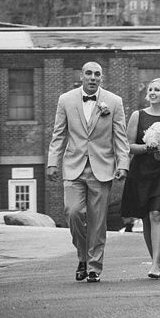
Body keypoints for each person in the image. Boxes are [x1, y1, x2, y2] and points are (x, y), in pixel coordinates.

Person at [46, 61, 129, 283]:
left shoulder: (114, 102)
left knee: (98, 221)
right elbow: (59, 134)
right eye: (89, 73)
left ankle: (93, 267)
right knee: (73, 212)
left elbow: (120, 137)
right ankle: (82, 256)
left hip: (102, 169)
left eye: (97, 74)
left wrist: (123, 164)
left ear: (102, 78)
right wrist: (52, 162)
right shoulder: (66, 99)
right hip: (73, 167)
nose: (93, 77)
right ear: (81, 76)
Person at [119, 77, 160, 279]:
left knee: (157, 215)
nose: (153, 92)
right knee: (147, 218)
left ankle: (156, 263)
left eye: (158, 90)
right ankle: (154, 258)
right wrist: (149, 148)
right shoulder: (138, 116)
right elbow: (128, 146)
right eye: (151, 89)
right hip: (141, 170)